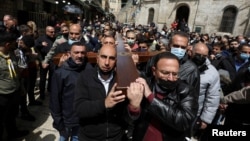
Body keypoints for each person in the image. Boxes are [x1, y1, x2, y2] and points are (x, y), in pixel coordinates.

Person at [74, 45, 143, 141]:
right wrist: (104, 103)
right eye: (103, 57)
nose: (107, 63)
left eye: (111, 58)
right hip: (90, 138)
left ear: (116, 61)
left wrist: (134, 108)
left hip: (116, 137)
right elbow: (79, 109)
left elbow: (128, 118)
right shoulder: (85, 77)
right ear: (97, 58)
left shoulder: (122, 81)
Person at [132, 52, 198, 141]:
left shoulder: (186, 91)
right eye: (165, 73)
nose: (170, 78)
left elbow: (183, 122)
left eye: (175, 74)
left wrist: (151, 97)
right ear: (154, 71)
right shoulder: (146, 84)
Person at [50, 42, 92, 141]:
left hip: (82, 119)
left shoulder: (89, 69)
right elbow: (54, 100)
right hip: (66, 120)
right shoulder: (60, 73)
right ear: (69, 54)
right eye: (76, 52)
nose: (80, 55)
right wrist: (58, 122)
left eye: (82, 53)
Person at [0, 30, 29, 140]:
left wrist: (20, 86)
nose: (16, 44)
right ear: (7, 44)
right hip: (2, 96)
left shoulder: (11, 53)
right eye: (14, 43)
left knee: (12, 116)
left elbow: (15, 72)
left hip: (15, 91)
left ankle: (13, 133)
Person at [190, 43, 221, 140]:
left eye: (204, 56)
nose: (201, 58)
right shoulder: (181, 65)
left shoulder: (212, 72)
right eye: (198, 54)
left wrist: (205, 119)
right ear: (191, 52)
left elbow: (213, 97)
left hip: (194, 114)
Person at [35, 26, 56, 100]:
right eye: (51, 32)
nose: (53, 33)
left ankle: (50, 90)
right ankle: (42, 93)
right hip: (44, 61)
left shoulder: (55, 38)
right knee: (43, 79)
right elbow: (35, 47)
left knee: (52, 77)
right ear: (46, 32)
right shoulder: (40, 39)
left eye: (54, 32)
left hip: (53, 62)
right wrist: (41, 45)